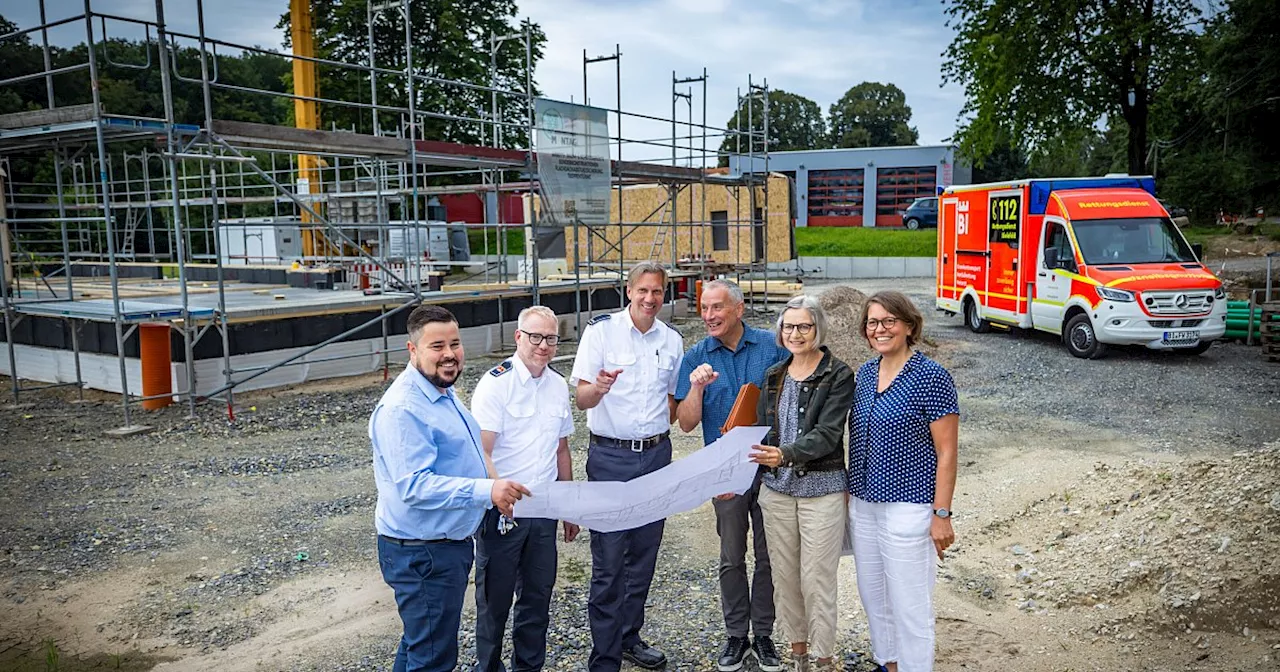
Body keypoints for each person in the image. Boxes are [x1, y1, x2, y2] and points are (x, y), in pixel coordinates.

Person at [369, 304, 531, 672]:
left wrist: (491, 488)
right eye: (436, 346)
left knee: (421, 644)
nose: (449, 354)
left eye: (455, 344)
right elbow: (413, 486)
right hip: (424, 553)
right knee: (433, 658)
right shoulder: (403, 409)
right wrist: (485, 492)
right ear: (412, 351)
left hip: (441, 548)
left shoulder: (439, 390)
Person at [570, 261, 685, 672]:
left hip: (655, 457)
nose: (650, 299)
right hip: (610, 458)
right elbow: (582, 398)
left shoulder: (672, 341)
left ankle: (629, 637)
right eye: (643, 291)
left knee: (643, 555)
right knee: (609, 559)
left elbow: (671, 404)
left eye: (657, 292)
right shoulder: (600, 333)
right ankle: (604, 657)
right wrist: (597, 389)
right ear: (629, 291)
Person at [674, 279, 788, 672]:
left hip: (770, 467)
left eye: (717, 308)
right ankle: (736, 636)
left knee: (769, 557)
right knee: (730, 558)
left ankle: (765, 635)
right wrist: (696, 389)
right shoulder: (695, 357)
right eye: (704, 308)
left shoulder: (773, 348)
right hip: (724, 473)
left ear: (738, 309)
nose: (709, 316)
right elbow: (686, 424)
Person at [847, 291, 959, 672]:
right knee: (874, 596)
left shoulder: (931, 377)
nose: (880, 329)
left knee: (910, 604)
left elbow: (947, 452)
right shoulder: (864, 374)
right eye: (873, 322)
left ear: (909, 326)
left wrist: (941, 513)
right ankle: (887, 664)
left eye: (889, 321)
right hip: (863, 504)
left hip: (908, 506)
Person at [747, 295, 855, 672]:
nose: (795, 333)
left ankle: (824, 658)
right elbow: (763, 428)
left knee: (817, 578)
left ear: (818, 329)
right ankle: (798, 655)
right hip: (777, 492)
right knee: (785, 577)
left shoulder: (838, 374)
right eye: (788, 327)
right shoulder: (774, 375)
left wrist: (785, 454)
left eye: (803, 326)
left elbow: (828, 434)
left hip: (820, 490)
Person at [470, 306, 580, 672]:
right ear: (519, 337)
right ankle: (487, 667)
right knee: (494, 604)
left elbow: (561, 448)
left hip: (544, 509)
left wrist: (568, 506)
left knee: (536, 600)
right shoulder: (495, 383)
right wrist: (499, 495)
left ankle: (528, 668)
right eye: (535, 337)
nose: (543, 345)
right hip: (505, 510)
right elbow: (482, 450)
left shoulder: (558, 385)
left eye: (551, 338)